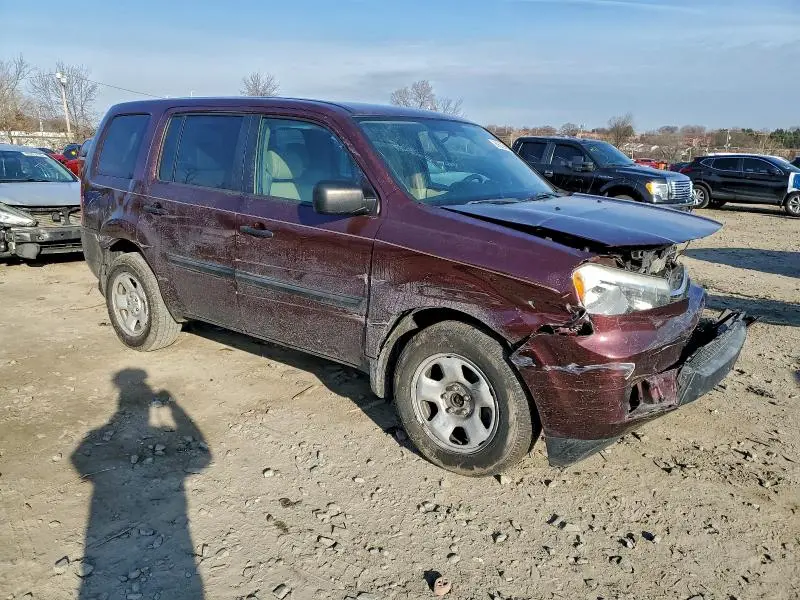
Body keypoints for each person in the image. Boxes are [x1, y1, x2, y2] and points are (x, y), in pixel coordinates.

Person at [71, 369, 211, 599]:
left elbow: (77, 459)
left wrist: (96, 477)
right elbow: (206, 459)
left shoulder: (99, 435)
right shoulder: (108, 434)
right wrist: (174, 410)